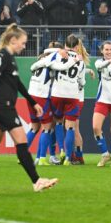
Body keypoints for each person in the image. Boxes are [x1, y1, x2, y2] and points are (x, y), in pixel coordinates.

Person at [0, 23, 58, 193]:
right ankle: (37, 181)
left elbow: (17, 84)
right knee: (21, 141)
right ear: (13, 40)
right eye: (23, 43)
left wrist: (33, 102)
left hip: (3, 106)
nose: (24, 46)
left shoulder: (10, 58)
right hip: (3, 106)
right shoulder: (2, 56)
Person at [27, 41, 67, 166]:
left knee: (34, 127)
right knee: (48, 127)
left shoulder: (41, 59)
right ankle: (43, 158)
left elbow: (32, 68)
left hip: (31, 95)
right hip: (43, 96)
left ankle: (22, 155)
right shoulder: (53, 60)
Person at [49, 34, 85, 165]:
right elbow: (82, 81)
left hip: (57, 93)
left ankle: (62, 150)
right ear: (76, 47)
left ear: (64, 45)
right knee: (71, 127)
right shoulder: (80, 61)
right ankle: (68, 158)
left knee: (58, 122)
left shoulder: (58, 55)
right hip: (72, 95)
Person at [71, 39, 94, 165]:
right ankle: (76, 155)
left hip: (75, 99)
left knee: (73, 129)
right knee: (73, 128)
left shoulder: (76, 61)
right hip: (78, 99)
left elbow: (81, 81)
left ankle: (77, 156)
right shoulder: (80, 63)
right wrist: (88, 71)